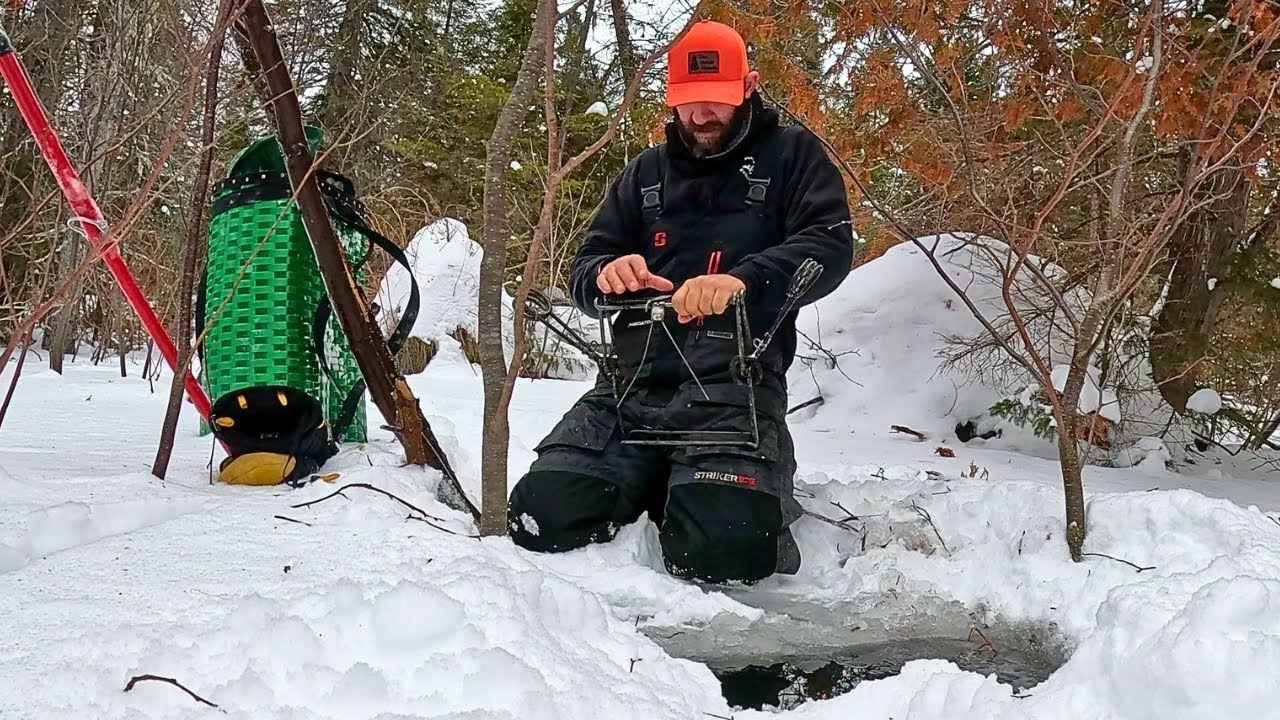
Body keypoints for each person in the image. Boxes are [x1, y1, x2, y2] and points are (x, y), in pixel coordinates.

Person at [506, 19, 854, 584]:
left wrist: (745, 280)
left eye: (715, 100)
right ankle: (659, 481)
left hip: (733, 390)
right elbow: (583, 268)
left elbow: (829, 247)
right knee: (540, 516)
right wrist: (606, 274)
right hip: (629, 390)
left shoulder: (794, 157)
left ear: (748, 86)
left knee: (725, 551)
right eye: (688, 102)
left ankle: (718, 490)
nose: (701, 116)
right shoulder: (643, 173)